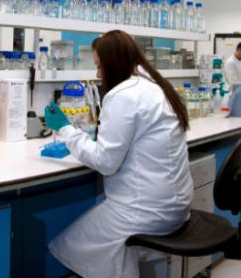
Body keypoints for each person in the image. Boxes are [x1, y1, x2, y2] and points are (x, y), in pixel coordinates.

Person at [44, 30, 193, 278]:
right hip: (176, 206)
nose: (98, 74)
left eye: (100, 66)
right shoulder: (155, 86)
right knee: (106, 252)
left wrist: (66, 129)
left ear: (114, 63)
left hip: (144, 210)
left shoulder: (124, 95)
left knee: (68, 245)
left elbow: (105, 162)